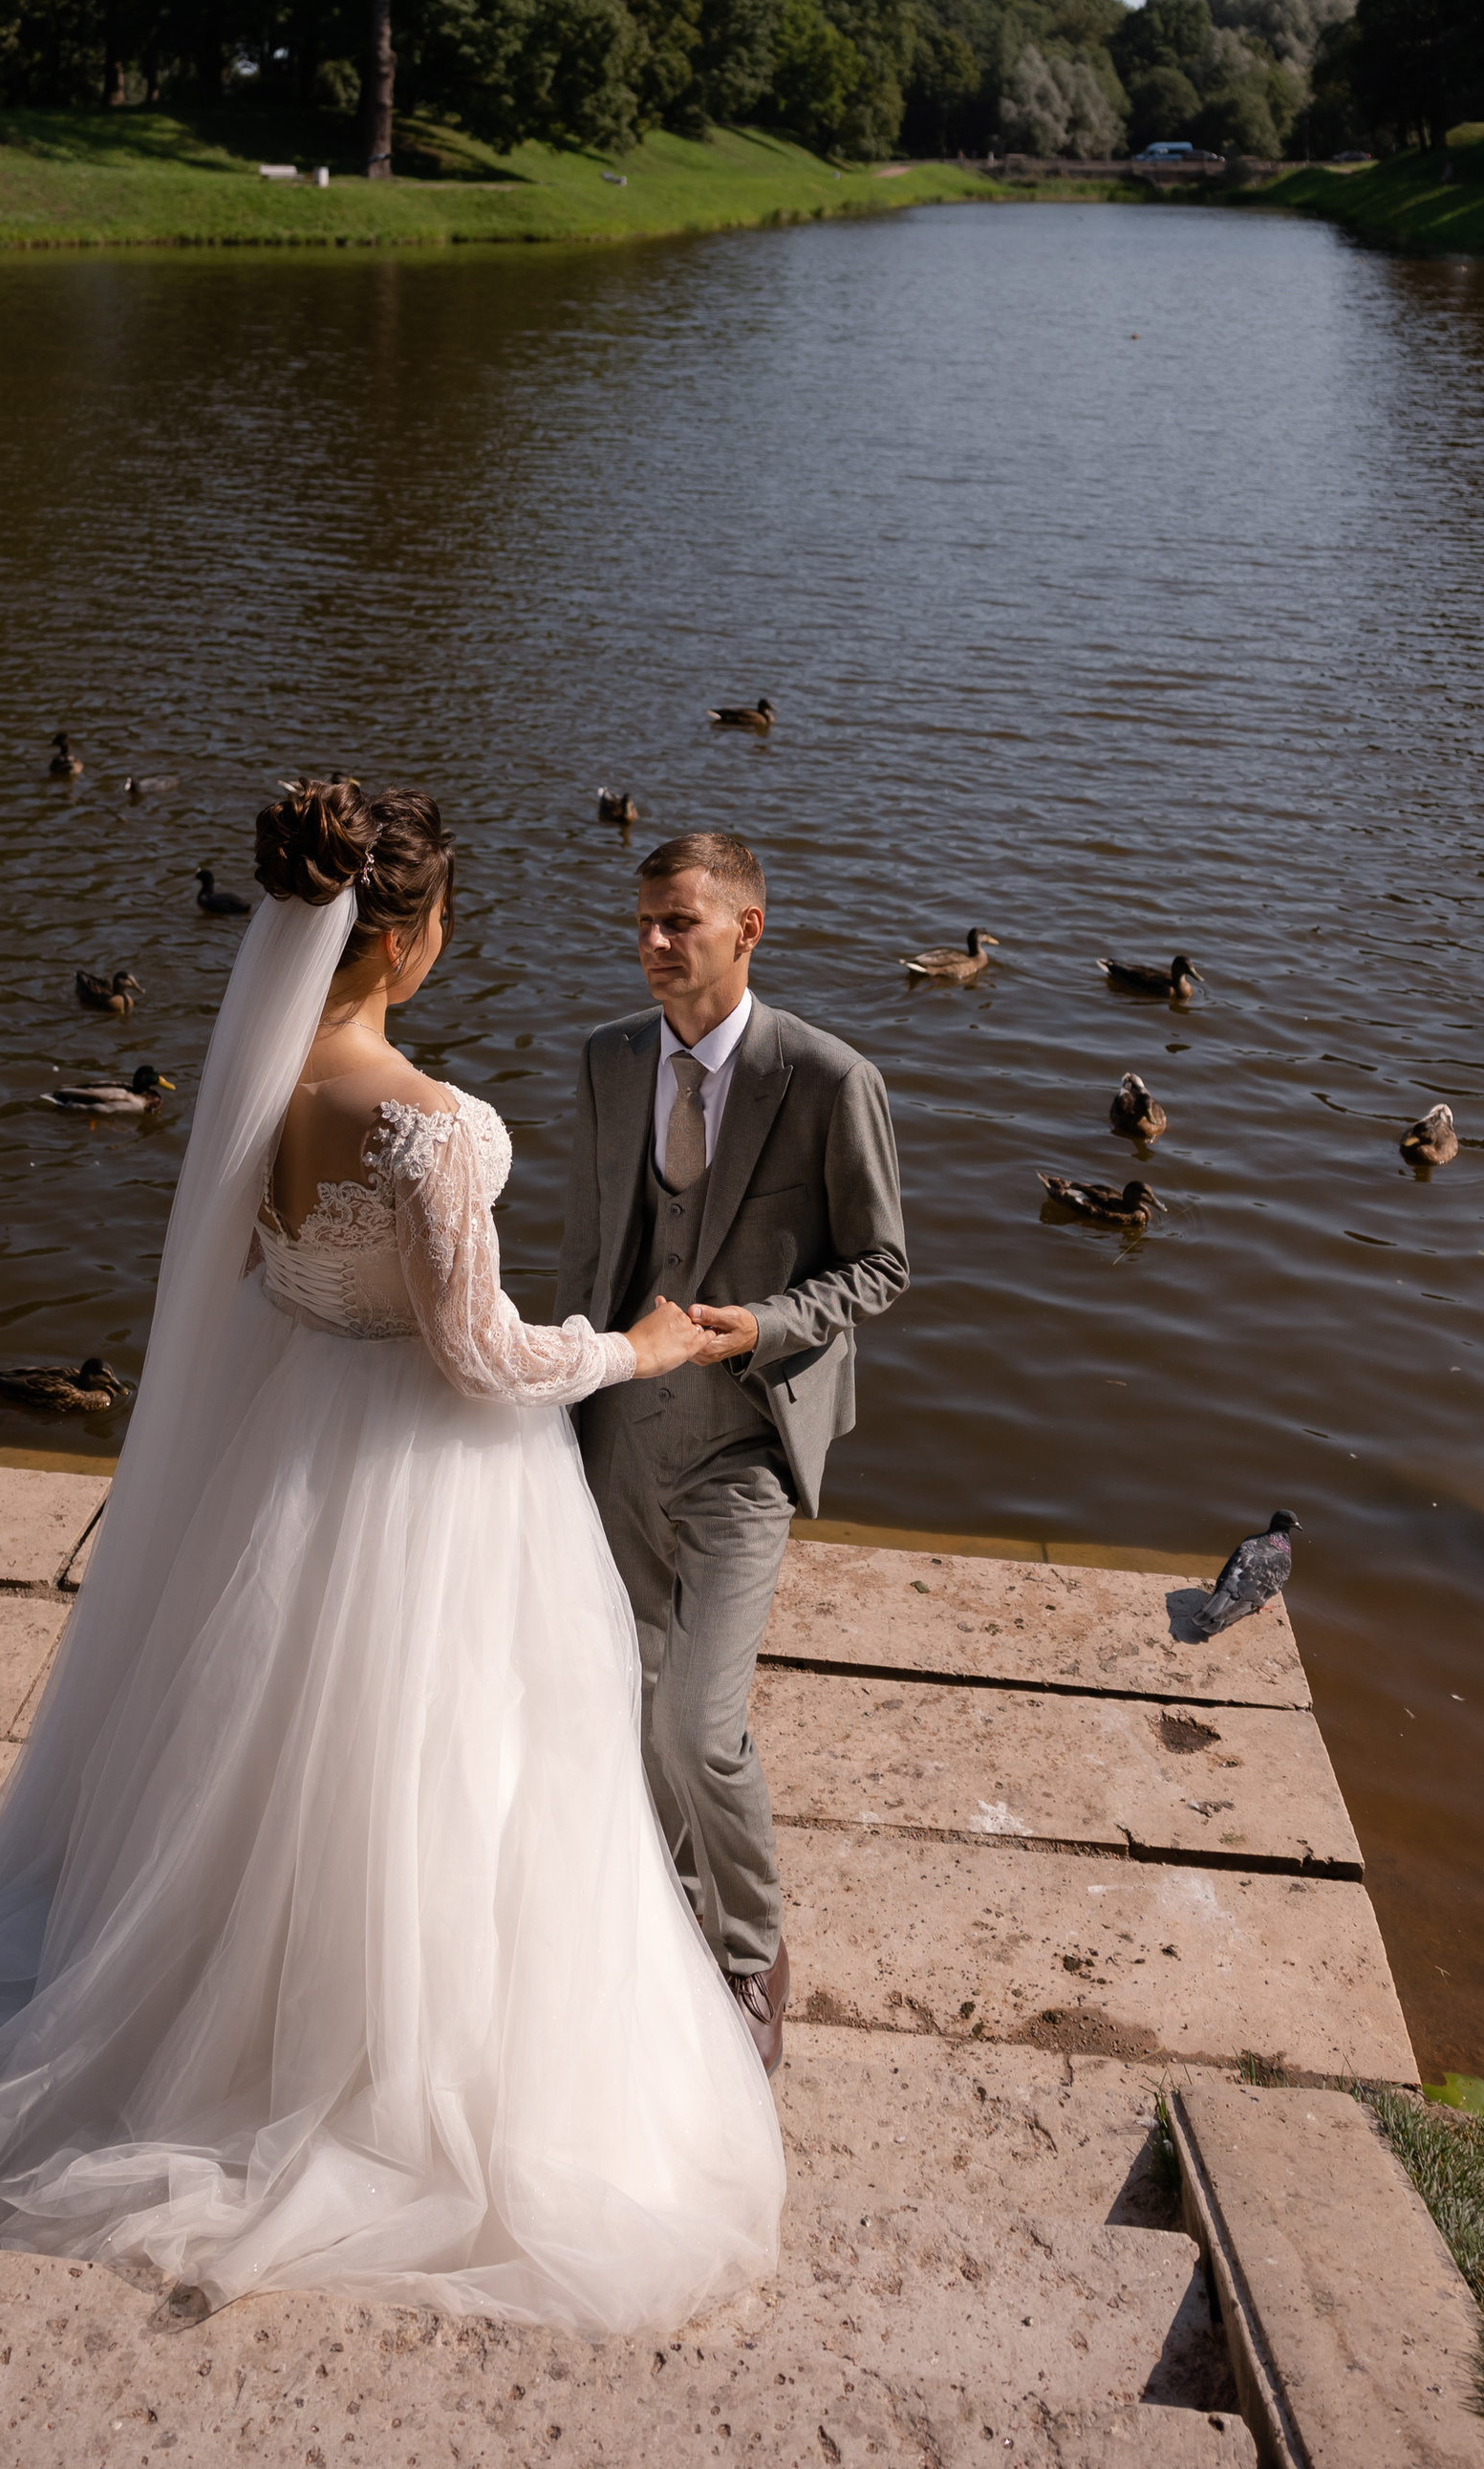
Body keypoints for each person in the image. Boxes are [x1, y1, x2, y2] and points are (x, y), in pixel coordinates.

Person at [0, 779, 784, 2334]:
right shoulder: (420, 1123)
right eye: (446, 914)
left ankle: (240, 2006)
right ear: (409, 935)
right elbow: (480, 1355)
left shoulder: (265, 1076)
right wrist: (633, 1348)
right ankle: (369, 2057)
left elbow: (271, 1287)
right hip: (423, 1483)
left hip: (290, 1459)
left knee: (274, 1753)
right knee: (437, 1766)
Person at [564, 831, 909, 2074]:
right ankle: (656, 1922)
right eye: (645, 921)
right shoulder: (606, 1061)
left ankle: (751, 1951)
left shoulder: (826, 1079)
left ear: (748, 930)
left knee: (699, 1727)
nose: (653, 945)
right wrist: (560, 1395)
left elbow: (882, 1265)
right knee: (626, 1698)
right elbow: (591, 1247)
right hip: (617, 1432)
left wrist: (764, 1324)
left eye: (680, 924)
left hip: (748, 1441)